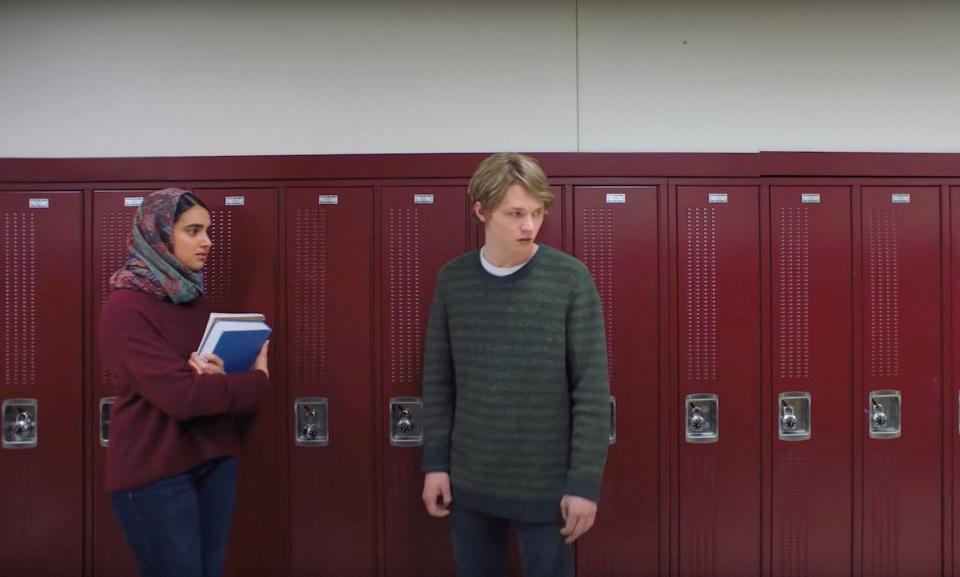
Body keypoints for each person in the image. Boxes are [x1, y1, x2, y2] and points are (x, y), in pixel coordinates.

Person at [421, 153, 611, 577]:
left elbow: (591, 392)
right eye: (516, 214)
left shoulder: (570, 279)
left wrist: (584, 484)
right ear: (481, 211)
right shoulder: (454, 280)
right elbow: (438, 381)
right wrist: (435, 464)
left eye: (537, 213)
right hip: (471, 483)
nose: (529, 225)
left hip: (548, 488)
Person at [99, 188, 270, 577]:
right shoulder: (124, 309)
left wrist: (215, 383)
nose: (207, 242)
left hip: (213, 460)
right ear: (159, 234)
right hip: (155, 474)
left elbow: (204, 384)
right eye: (193, 231)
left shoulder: (192, 298)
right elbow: (183, 397)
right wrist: (257, 381)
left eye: (208, 231)